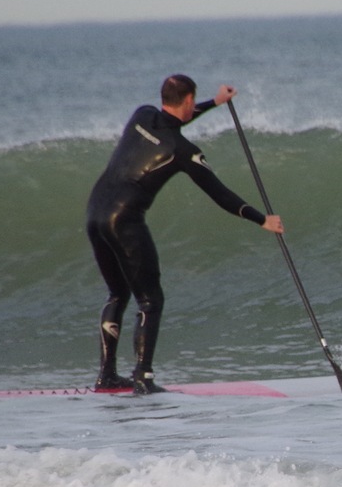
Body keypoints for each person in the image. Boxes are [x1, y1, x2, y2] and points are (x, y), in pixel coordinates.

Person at [86, 74, 283, 395]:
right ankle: (143, 377)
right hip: (125, 221)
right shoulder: (182, 150)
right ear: (188, 100)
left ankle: (106, 376)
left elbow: (171, 121)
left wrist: (216, 103)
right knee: (150, 300)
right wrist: (262, 220)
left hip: (95, 212)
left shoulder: (142, 115)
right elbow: (219, 193)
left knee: (118, 293)